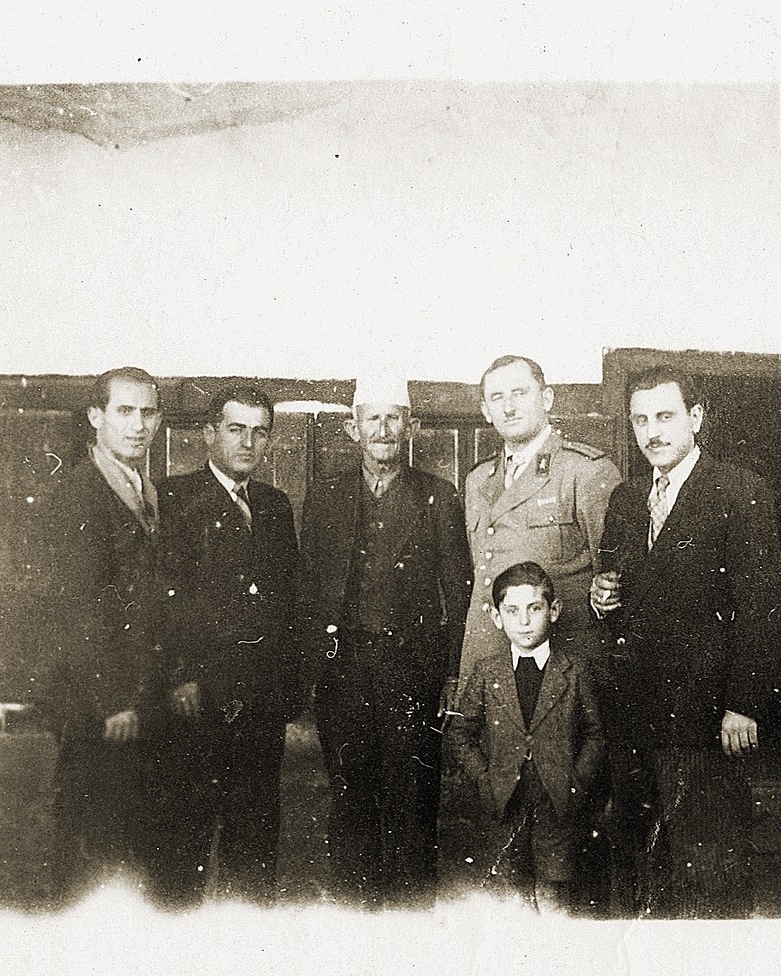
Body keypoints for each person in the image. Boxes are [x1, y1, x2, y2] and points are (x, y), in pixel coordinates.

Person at [589, 365, 781, 920]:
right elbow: (624, 597)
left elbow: (762, 609)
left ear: (696, 419)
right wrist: (603, 601)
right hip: (634, 714)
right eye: (640, 419)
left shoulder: (739, 490)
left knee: (710, 867)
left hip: (706, 720)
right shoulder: (627, 500)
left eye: (665, 416)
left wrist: (744, 705)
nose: (651, 431)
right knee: (643, 867)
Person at [296, 375, 472, 909]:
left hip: (410, 670)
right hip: (344, 669)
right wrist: (310, 673)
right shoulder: (326, 495)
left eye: (394, 417)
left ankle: (411, 919)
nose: (383, 429)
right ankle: (357, 917)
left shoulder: (436, 495)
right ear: (353, 428)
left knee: (412, 799)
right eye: (372, 418)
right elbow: (307, 586)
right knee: (349, 797)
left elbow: (458, 589)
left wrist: (448, 675)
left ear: (411, 427)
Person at [460, 354, 621, 914]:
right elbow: (482, 588)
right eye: (496, 397)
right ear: (484, 409)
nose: (509, 406)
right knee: (504, 839)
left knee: (570, 842)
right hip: (500, 680)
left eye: (520, 393)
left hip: (565, 683)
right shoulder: (479, 480)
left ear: (547, 399)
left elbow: (617, 575)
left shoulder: (585, 471)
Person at [151, 384, 299, 907]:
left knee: (255, 838)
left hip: (258, 701)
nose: (248, 442)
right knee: (184, 839)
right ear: (209, 434)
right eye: (236, 429)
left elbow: (286, 604)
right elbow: (159, 601)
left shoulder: (275, 506)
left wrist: (284, 690)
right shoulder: (171, 500)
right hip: (196, 696)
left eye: (260, 432)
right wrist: (179, 675)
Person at [34, 366, 166, 906]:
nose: (138, 425)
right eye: (124, 411)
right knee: (91, 854)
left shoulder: (142, 487)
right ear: (96, 417)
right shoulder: (77, 492)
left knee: (130, 848)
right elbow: (78, 609)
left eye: (148, 412)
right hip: (98, 707)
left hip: (136, 701)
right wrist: (113, 699)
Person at [448, 561, 606, 914]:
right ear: (496, 616)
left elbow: (597, 734)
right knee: (511, 895)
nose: (523, 621)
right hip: (504, 801)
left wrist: (577, 779)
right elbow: (460, 732)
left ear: (554, 610)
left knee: (555, 897)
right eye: (512, 611)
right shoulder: (487, 672)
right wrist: (484, 777)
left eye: (534, 609)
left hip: (558, 802)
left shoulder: (575, 670)